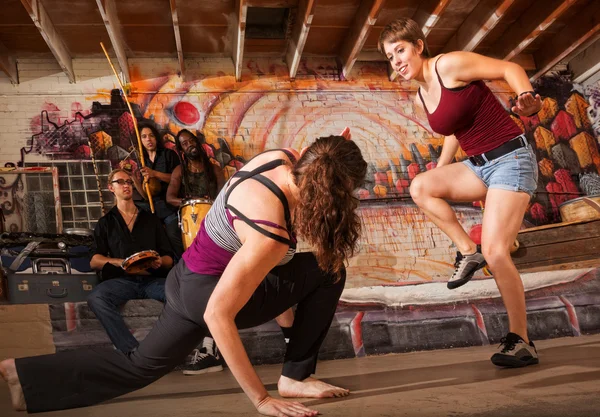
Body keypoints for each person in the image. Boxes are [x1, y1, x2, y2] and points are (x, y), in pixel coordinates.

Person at [1, 131, 367, 417]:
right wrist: (261, 399)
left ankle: (25, 376)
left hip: (185, 279)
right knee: (328, 270)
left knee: (139, 366)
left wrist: (339, 148)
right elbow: (217, 315)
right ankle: (295, 376)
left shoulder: (282, 158)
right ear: (328, 192)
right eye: (347, 194)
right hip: (207, 299)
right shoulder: (268, 231)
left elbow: (271, 272)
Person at [379, 18, 541, 368]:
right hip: (480, 166)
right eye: (390, 57)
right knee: (422, 186)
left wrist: (526, 96)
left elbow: (509, 68)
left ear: (419, 46)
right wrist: (442, 168)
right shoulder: (423, 92)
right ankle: (468, 251)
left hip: (511, 158)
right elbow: (454, 129)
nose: (397, 61)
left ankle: (522, 340)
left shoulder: (449, 65)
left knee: (497, 252)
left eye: (401, 51)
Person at [88, 169, 174, 354]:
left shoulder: (151, 220)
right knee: (97, 297)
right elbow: (95, 261)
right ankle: (131, 350)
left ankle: (166, 348)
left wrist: (159, 260)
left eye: (129, 181)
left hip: (152, 281)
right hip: (122, 281)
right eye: (121, 182)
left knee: (179, 294)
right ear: (111, 188)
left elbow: (169, 259)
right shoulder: (106, 222)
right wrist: (122, 262)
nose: (127, 185)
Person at [166, 129, 225, 257]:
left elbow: (223, 194)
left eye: (192, 141)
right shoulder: (179, 170)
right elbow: (170, 197)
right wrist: (186, 201)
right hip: (189, 213)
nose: (190, 144)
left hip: (212, 213)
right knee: (171, 230)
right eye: (185, 143)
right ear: (181, 150)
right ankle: (184, 260)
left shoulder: (215, 169)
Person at [128, 122, 181, 251]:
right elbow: (146, 196)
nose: (148, 139)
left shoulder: (169, 155)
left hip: (169, 205)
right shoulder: (143, 161)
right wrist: (133, 178)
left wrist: (154, 174)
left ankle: (182, 263)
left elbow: (179, 180)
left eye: (151, 135)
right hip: (153, 207)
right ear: (140, 140)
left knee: (172, 234)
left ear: (156, 138)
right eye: (144, 136)